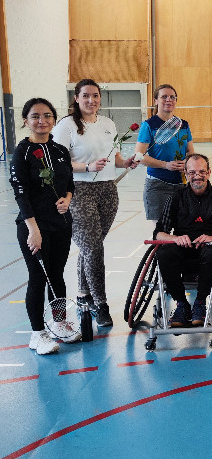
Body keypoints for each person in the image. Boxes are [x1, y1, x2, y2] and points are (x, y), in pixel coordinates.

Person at [52, 79, 139, 327]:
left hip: (108, 191)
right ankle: (100, 304)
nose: (91, 100)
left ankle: (83, 295)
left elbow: (115, 157)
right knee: (93, 249)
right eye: (86, 96)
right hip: (79, 190)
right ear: (77, 99)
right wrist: (86, 167)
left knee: (91, 247)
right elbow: (59, 163)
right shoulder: (66, 126)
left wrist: (126, 162)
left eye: (96, 96)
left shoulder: (108, 124)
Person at [11, 98, 78, 354]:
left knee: (57, 275)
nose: (42, 121)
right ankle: (38, 334)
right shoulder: (23, 152)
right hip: (34, 227)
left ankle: (59, 323)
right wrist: (33, 230)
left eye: (48, 116)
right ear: (26, 121)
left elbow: (70, 184)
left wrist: (67, 201)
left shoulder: (60, 150)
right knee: (38, 277)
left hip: (61, 223)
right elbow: (21, 194)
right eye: (36, 116)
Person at [154, 153, 212, 327]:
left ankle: (200, 303)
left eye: (201, 171)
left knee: (211, 251)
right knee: (164, 253)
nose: (197, 176)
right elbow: (159, 233)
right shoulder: (176, 198)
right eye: (192, 172)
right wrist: (176, 238)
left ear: (209, 173)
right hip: (183, 251)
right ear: (186, 174)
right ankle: (182, 304)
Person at [135, 84, 194, 222]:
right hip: (158, 185)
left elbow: (190, 151)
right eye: (164, 97)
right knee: (161, 232)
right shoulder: (149, 125)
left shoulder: (183, 124)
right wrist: (165, 165)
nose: (169, 100)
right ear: (156, 100)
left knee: (183, 231)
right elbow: (140, 156)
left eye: (172, 97)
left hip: (182, 184)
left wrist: (187, 162)